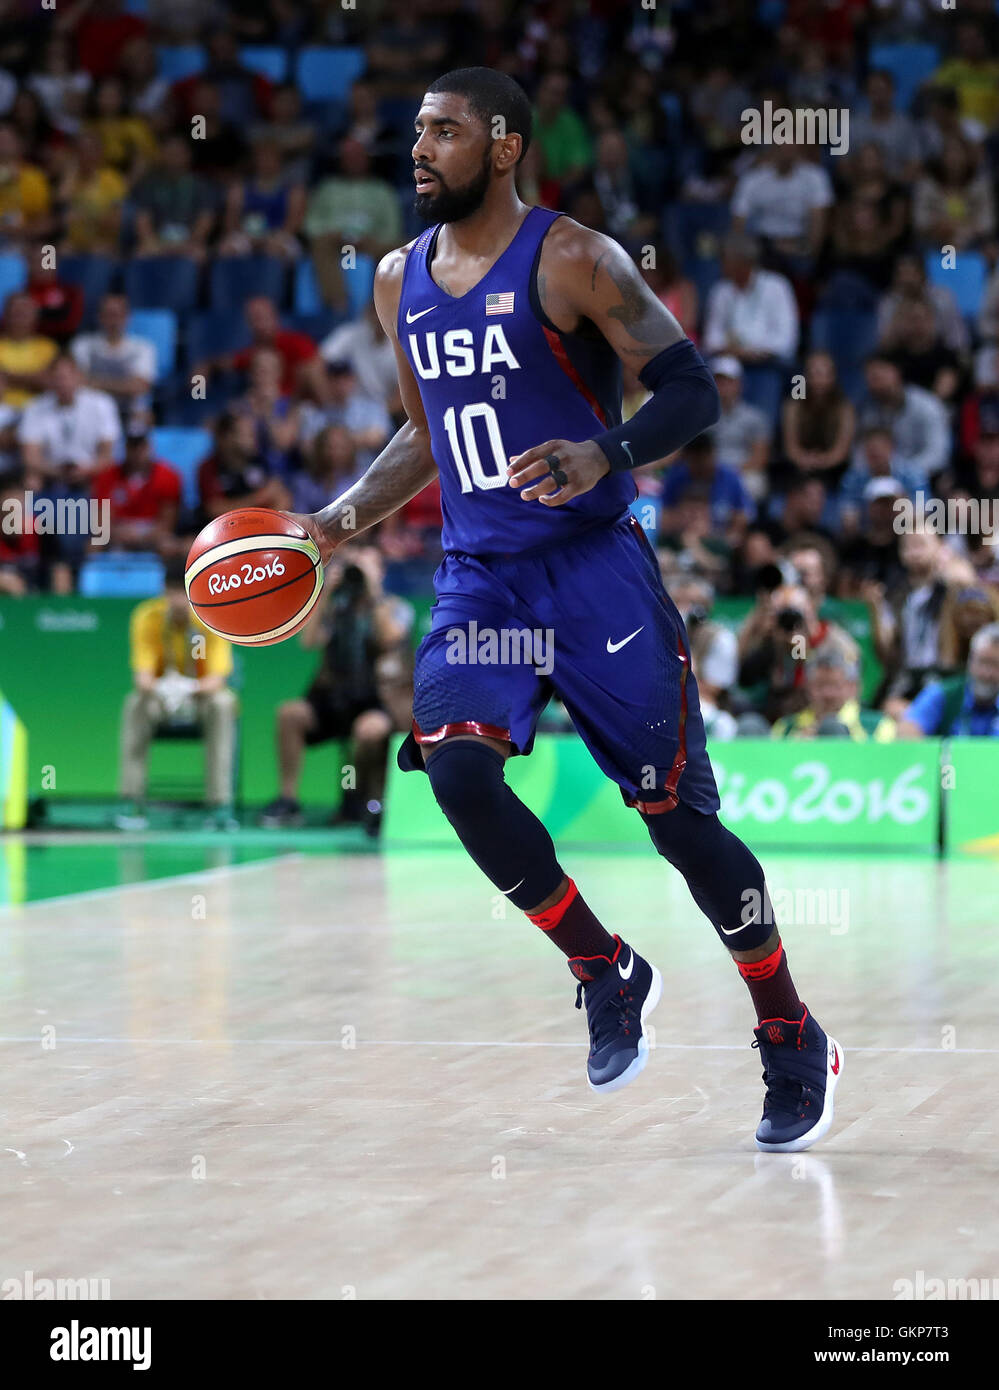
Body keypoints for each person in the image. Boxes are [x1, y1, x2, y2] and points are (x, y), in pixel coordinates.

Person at [288, 67, 843, 1152]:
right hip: (481, 575)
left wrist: (607, 448)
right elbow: (427, 433)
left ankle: (787, 1026)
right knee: (454, 768)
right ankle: (605, 964)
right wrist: (338, 517)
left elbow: (693, 388)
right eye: (415, 132)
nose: (420, 149)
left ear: (502, 145)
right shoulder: (399, 279)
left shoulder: (577, 257)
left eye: (443, 132)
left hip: (595, 571)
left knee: (680, 825)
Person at [260, 547, 414, 834]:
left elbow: (390, 639)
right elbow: (309, 641)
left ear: (381, 573)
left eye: (366, 568)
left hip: (376, 699)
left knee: (368, 731)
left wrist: (373, 594)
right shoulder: (336, 606)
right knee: (289, 714)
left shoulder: (395, 607)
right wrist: (324, 594)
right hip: (332, 697)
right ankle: (288, 799)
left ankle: (363, 800)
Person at [117, 557, 238, 831]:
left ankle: (220, 806)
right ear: (164, 592)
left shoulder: (212, 616)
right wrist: (164, 687)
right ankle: (131, 803)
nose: (178, 601)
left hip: (200, 697)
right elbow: (142, 678)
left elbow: (217, 680)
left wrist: (190, 687)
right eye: (172, 593)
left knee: (223, 703)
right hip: (161, 697)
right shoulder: (147, 616)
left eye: (184, 593)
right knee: (135, 703)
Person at [771, 633, 895, 742]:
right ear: (807, 687)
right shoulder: (786, 727)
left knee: (832, 728)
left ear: (852, 687)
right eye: (820, 686)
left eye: (835, 685)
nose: (828, 694)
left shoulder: (878, 725)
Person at [897, 622, 999, 739]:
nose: (987, 673)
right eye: (983, 662)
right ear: (970, 661)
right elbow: (908, 730)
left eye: (995, 665)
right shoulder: (944, 694)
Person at [70, 292, 157, 427]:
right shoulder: (83, 344)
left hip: (130, 410)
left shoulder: (143, 347)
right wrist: (124, 386)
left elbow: (140, 386)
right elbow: (77, 383)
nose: (114, 321)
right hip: (93, 410)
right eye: (108, 315)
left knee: (143, 412)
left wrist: (95, 383)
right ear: (100, 317)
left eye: (118, 315)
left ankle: (134, 445)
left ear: (127, 317)